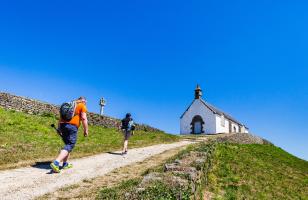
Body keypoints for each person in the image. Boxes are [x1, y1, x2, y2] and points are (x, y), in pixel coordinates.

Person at [50, 97, 89, 173]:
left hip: (62, 125)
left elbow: (61, 118)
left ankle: (65, 164)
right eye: (86, 102)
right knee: (70, 144)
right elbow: (84, 118)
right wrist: (86, 130)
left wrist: (59, 128)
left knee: (67, 145)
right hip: (72, 127)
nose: (85, 103)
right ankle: (56, 162)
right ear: (83, 101)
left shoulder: (70, 104)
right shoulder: (81, 105)